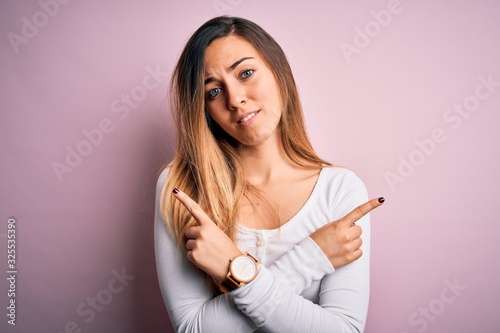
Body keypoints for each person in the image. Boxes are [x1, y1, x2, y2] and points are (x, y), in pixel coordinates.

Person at [154, 16, 384, 333]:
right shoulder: (183, 187)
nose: (235, 100)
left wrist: (232, 269)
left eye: (246, 73)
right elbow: (193, 329)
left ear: (278, 72)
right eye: (213, 91)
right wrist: (311, 258)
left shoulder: (339, 190)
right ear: (203, 108)